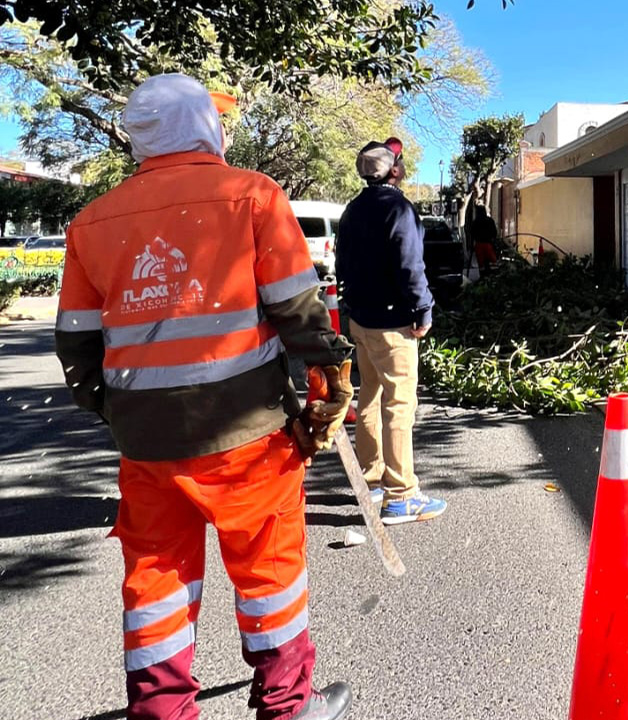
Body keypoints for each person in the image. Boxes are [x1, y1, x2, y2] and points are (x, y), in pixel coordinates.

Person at [55, 74, 354, 720]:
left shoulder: (91, 222)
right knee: (268, 569)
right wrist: (329, 388)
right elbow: (299, 312)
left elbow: (76, 343)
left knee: (155, 578)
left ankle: (162, 712)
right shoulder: (252, 196)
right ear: (202, 126)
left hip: (147, 444)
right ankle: (287, 705)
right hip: (248, 434)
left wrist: (115, 411)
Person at [335, 137, 446, 525]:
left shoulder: (352, 209)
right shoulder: (398, 208)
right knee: (399, 404)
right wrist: (423, 310)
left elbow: (342, 264)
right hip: (392, 324)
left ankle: (372, 480)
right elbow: (410, 265)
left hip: (361, 321)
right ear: (394, 171)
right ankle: (401, 495)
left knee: (369, 394)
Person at [467, 204, 500, 275]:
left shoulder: (475, 222)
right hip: (488, 244)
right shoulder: (490, 220)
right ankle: (493, 276)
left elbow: (472, 234)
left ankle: (483, 277)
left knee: (481, 265)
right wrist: (493, 240)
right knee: (493, 263)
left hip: (479, 245)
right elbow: (494, 232)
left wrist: (472, 245)